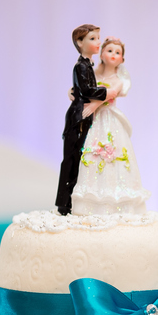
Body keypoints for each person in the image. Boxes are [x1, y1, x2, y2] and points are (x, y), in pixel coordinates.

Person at [70, 37, 151, 216]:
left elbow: (109, 94)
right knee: (91, 155)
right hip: (93, 120)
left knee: (112, 156)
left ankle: (117, 203)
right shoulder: (93, 74)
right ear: (101, 54)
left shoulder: (118, 79)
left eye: (118, 52)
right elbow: (83, 89)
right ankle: (89, 204)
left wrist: (93, 105)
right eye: (110, 50)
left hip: (107, 118)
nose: (113, 54)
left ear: (122, 59)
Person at [54, 24, 114, 215]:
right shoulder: (80, 66)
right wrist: (107, 92)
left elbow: (81, 90)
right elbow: (87, 91)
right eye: (92, 39)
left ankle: (73, 202)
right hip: (78, 117)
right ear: (79, 42)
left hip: (84, 115)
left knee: (79, 159)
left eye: (98, 38)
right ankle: (64, 205)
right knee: (71, 160)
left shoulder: (87, 65)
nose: (98, 42)